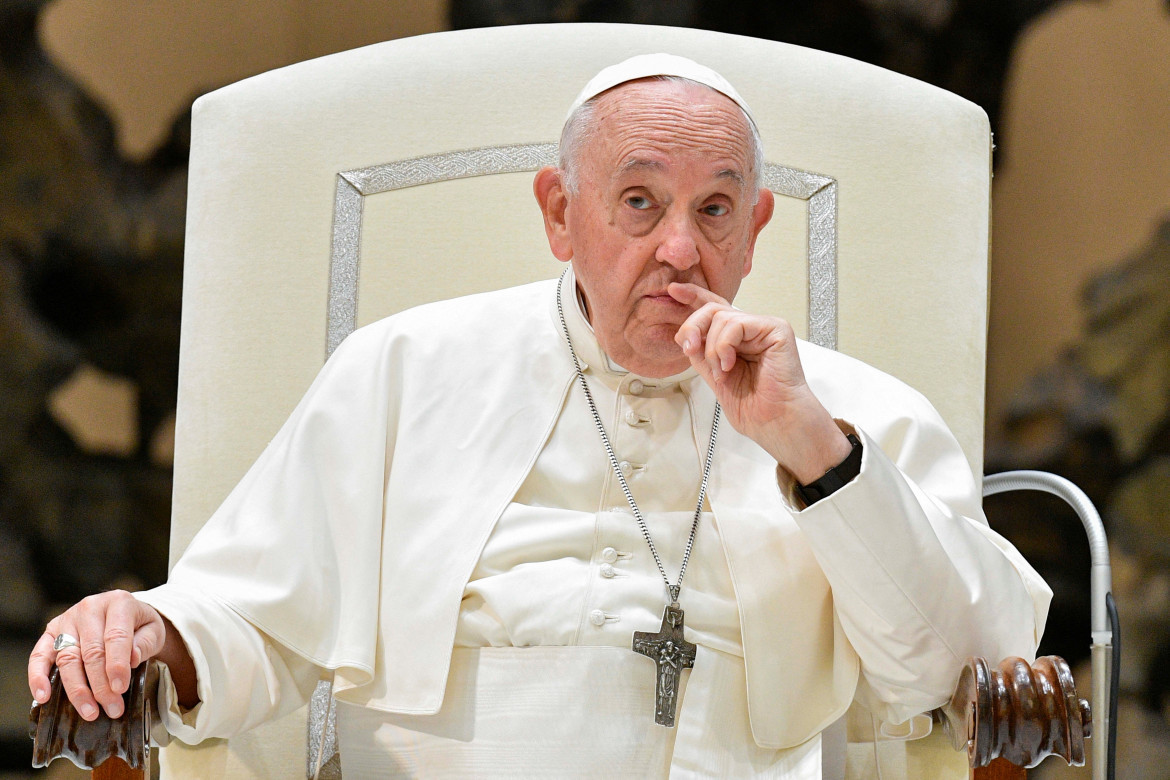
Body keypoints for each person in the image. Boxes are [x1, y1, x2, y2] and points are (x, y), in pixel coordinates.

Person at [28, 54, 1050, 777]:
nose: (682, 251)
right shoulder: (404, 368)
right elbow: (253, 613)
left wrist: (813, 454)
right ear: (561, 213)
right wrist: (143, 630)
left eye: (714, 208)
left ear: (756, 227)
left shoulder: (853, 411)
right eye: (639, 202)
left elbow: (962, 667)